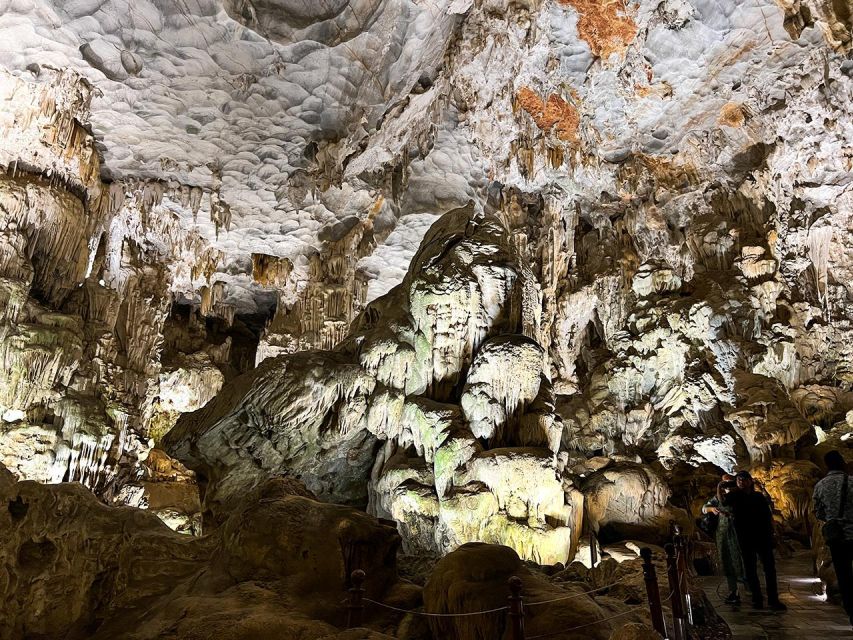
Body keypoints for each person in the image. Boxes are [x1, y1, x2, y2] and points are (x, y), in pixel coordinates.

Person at [723, 470, 786, 611]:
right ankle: (757, 599)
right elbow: (722, 501)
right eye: (739, 480)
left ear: (750, 481)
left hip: (763, 536)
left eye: (744, 479)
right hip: (745, 537)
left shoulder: (758, 497)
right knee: (750, 569)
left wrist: (774, 533)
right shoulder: (734, 496)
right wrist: (721, 485)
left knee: (769, 568)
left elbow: (768, 515)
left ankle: (773, 599)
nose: (741, 482)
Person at [813, 450, 853, 626]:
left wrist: (831, 518)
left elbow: (818, 511)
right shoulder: (851, 482)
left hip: (835, 536)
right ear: (842, 463)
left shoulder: (821, 485)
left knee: (843, 574)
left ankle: (850, 608)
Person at [703, 474, 744, 604]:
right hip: (723, 533)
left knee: (741, 560)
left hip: (738, 533)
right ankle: (734, 590)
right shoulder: (718, 498)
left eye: (729, 484)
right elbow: (704, 508)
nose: (727, 487)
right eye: (724, 484)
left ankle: (749, 587)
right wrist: (712, 509)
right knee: (727, 560)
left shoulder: (740, 496)